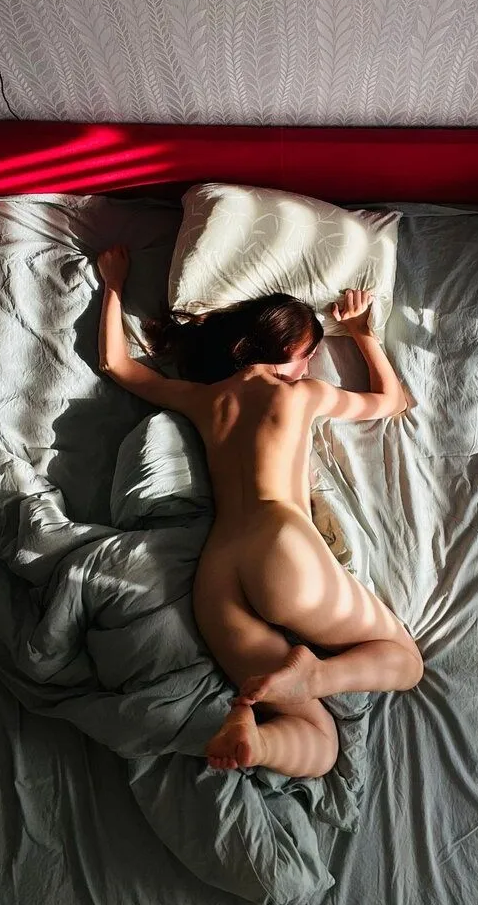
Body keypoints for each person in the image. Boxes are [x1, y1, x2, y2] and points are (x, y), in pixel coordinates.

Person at [97, 244, 424, 780]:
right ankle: (315, 677)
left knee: (319, 744)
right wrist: (362, 334)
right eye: (309, 353)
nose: (310, 364)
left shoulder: (204, 399)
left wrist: (113, 285)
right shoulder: (300, 395)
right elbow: (393, 401)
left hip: (218, 573)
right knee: (405, 662)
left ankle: (257, 737)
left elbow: (118, 365)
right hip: (279, 543)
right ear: (288, 349)